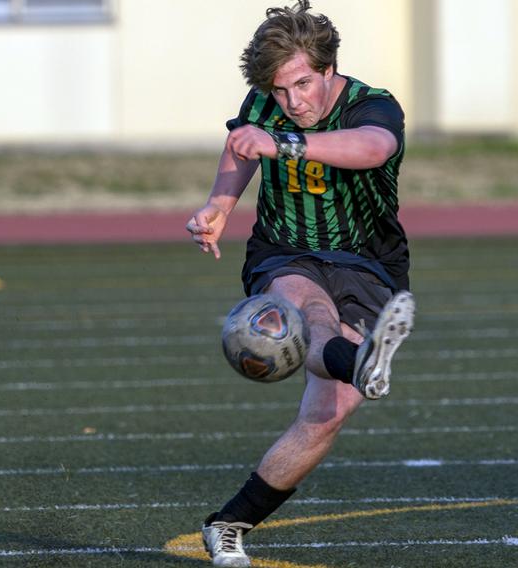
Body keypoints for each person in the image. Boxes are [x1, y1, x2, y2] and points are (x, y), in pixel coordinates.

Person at [185, 1, 415, 566]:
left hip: (367, 261)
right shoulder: (264, 103)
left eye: (304, 84)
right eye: (281, 90)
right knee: (306, 312)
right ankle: (359, 360)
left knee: (327, 414)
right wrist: (218, 205)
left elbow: (373, 148)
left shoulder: (375, 106)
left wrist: (282, 143)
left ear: (328, 68)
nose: (293, 101)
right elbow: (242, 146)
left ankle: (228, 523)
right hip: (284, 251)